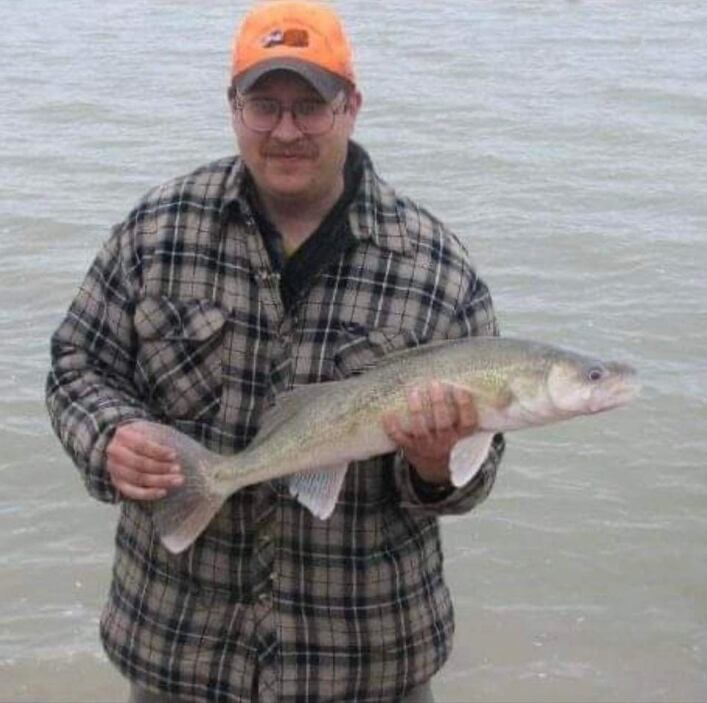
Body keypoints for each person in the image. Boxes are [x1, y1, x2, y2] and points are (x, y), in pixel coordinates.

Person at [46, 2, 505, 701]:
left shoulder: (435, 266)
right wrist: (109, 437)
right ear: (233, 107)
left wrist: (437, 464)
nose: (286, 131)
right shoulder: (155, 232)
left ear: (351, 107)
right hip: (180, 648)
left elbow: (472, 477)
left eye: (311, 107)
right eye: (265, 105)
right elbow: (77, 365)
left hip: (364, 660)